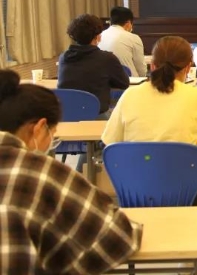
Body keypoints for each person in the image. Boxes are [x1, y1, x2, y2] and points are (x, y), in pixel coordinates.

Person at [0, 70, 142, 273]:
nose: (51, 141)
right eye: (53, 134)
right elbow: (118, 237)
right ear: (39, 128)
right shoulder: (40, 171)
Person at [102, 36, 197, 205]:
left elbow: (110, 141)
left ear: (152, 65)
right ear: (188, 67)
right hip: (182, 191)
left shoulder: (130, 95)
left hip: (136, 190)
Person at [58, 13, 129, 119]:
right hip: (97, 115)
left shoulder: (63, 58)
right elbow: (124, 83)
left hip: (67, 116)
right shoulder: (107, 58)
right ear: (98, 36)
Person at [99, 6, 148, 77]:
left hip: (104, 80)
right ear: (128, 23)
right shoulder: (133, 38)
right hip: (130, 81)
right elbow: (141, 69)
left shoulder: (100, 35)